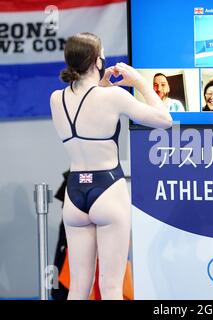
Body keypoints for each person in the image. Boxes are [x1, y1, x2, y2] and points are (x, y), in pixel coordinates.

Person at [49, 32, 172, 300]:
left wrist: (102, 84)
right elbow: (165, 119)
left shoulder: (56, 98)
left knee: (79, 288)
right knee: (111, 287)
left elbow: (88, 104)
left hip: (74, 195)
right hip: (107, 190)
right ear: (98, 60)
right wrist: (139, 81)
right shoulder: (114, 96)